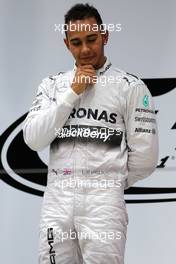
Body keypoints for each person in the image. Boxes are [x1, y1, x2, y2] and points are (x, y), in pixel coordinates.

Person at [23, 3, 158, 264]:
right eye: (76, 42)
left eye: (92, 39)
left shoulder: (130, 87)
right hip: (56, 204)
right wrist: (72, 93)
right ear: (67, 45)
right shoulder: (52, 86)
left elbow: (146, 158)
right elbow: (33, 139)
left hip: (103, 205)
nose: (85, 49)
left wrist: (109, 183)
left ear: (105, 35)